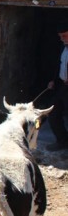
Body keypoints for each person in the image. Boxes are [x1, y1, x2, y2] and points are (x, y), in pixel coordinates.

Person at [46, 22, 68, 151]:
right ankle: (62, 141)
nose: (62, 39)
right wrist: (53, 80)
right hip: (62, 86)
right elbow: (59, 64)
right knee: (53, 112)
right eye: (60, 36)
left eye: (64, 36)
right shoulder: (62, 47)